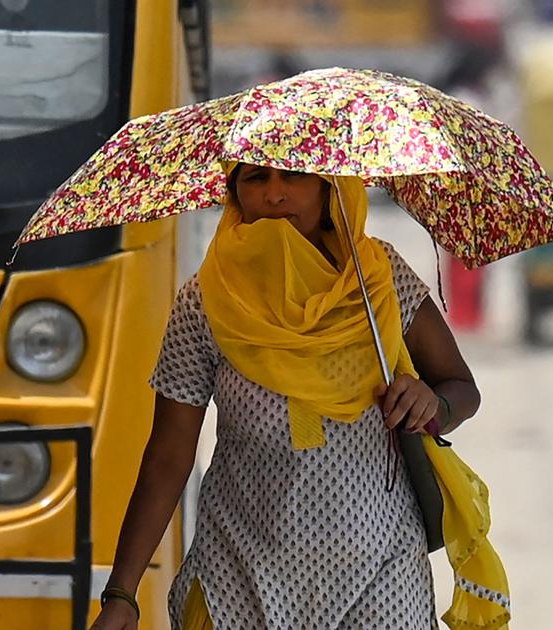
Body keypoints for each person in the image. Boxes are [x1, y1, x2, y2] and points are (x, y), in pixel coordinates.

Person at [90, 163, 481, 630]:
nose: (274, 194)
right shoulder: (205, 301)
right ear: (234, 194)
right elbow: (169, 456)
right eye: (254, 179)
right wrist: (121, 593)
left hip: (382, 573)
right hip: (238, 577)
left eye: (293, 176)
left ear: (330, 188)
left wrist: (433, 405)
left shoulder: (380, 279)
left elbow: (460, 387)